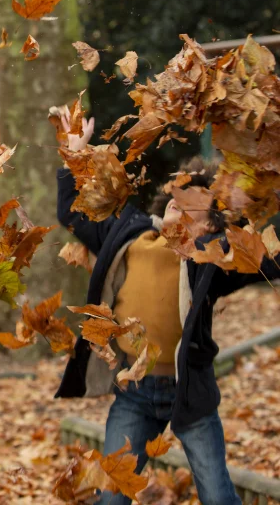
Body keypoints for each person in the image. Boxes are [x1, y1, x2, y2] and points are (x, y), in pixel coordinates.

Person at [53, 111, 279, 505]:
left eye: (197, 207)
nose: (183, 207)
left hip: (189, 393)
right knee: (111, 496)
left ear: (211, 224)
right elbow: (72, 213)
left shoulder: (212, 260)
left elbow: (269, 258)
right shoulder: (130, 232)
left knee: (217, 493)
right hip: (134, 394)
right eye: (181, 196)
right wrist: (74, 155)